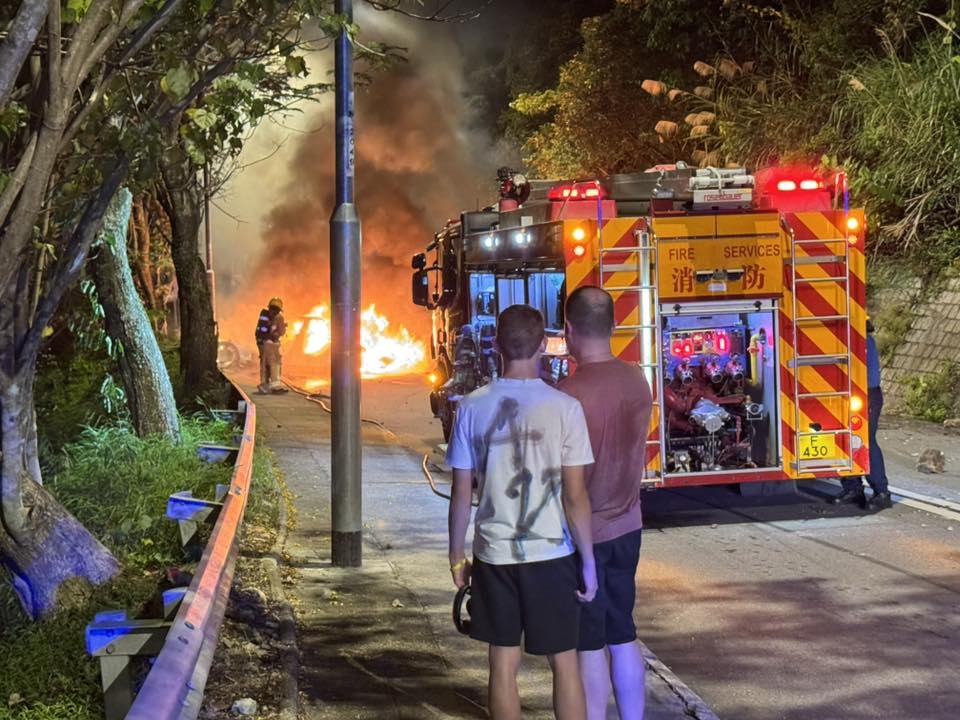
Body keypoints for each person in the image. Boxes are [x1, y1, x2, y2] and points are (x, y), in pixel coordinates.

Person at [446, 303, 597, 720]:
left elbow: (461, 492)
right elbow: (575, 496)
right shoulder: (566, 408)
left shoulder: (471, 406)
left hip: (495, 554)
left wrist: (457, 556)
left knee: (502, 663)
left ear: (496, 344)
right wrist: (588, 562)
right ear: (543, 345)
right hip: (552, 554)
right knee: (564, 662)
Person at [558, 286, 654, 720]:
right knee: (623, 632)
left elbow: (567, 484)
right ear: (614, 326)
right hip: (629, 526)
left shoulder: (567, 395)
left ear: (569, 330)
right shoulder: (637, 380)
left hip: (585, 537)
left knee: (589, 643)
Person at [831, 318, 891, 510]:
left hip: (867, 394)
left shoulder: (863, 340)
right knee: (846, 441)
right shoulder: (854, 338)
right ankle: (853, 488)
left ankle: (881, 491)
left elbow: (865, 375)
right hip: (852, 394)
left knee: (866, 441)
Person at [255, 296, 288, 394]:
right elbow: (281, 332)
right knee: (275, 363)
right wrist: (283, 326)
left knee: (265, 362)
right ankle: (275, 387)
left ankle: (264, 385)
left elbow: (260, 331)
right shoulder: (279, 317)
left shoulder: (264, 315)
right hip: (271, 343)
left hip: (261, 342)